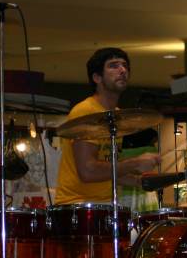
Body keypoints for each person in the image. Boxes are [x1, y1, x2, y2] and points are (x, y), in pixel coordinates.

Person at [55, 48, 159, 205]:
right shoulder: (86, 111)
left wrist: (140, 181)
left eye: (124, 65)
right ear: (97, 77)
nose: (122, 70)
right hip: (78, 205)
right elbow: (88, 171)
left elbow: (107, 169)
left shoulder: (116, 116)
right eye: (113, 65)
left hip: (104, 204)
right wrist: (135, 163)